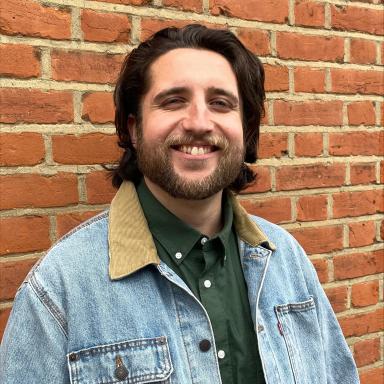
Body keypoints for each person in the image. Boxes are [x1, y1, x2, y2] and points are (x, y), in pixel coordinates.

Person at [0, 24, 359, 383]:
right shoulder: (61, 287)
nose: (199, 123)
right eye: (173, 101)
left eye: (220, 103)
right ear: (135, 129)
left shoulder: (287, 260)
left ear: (245, 129)